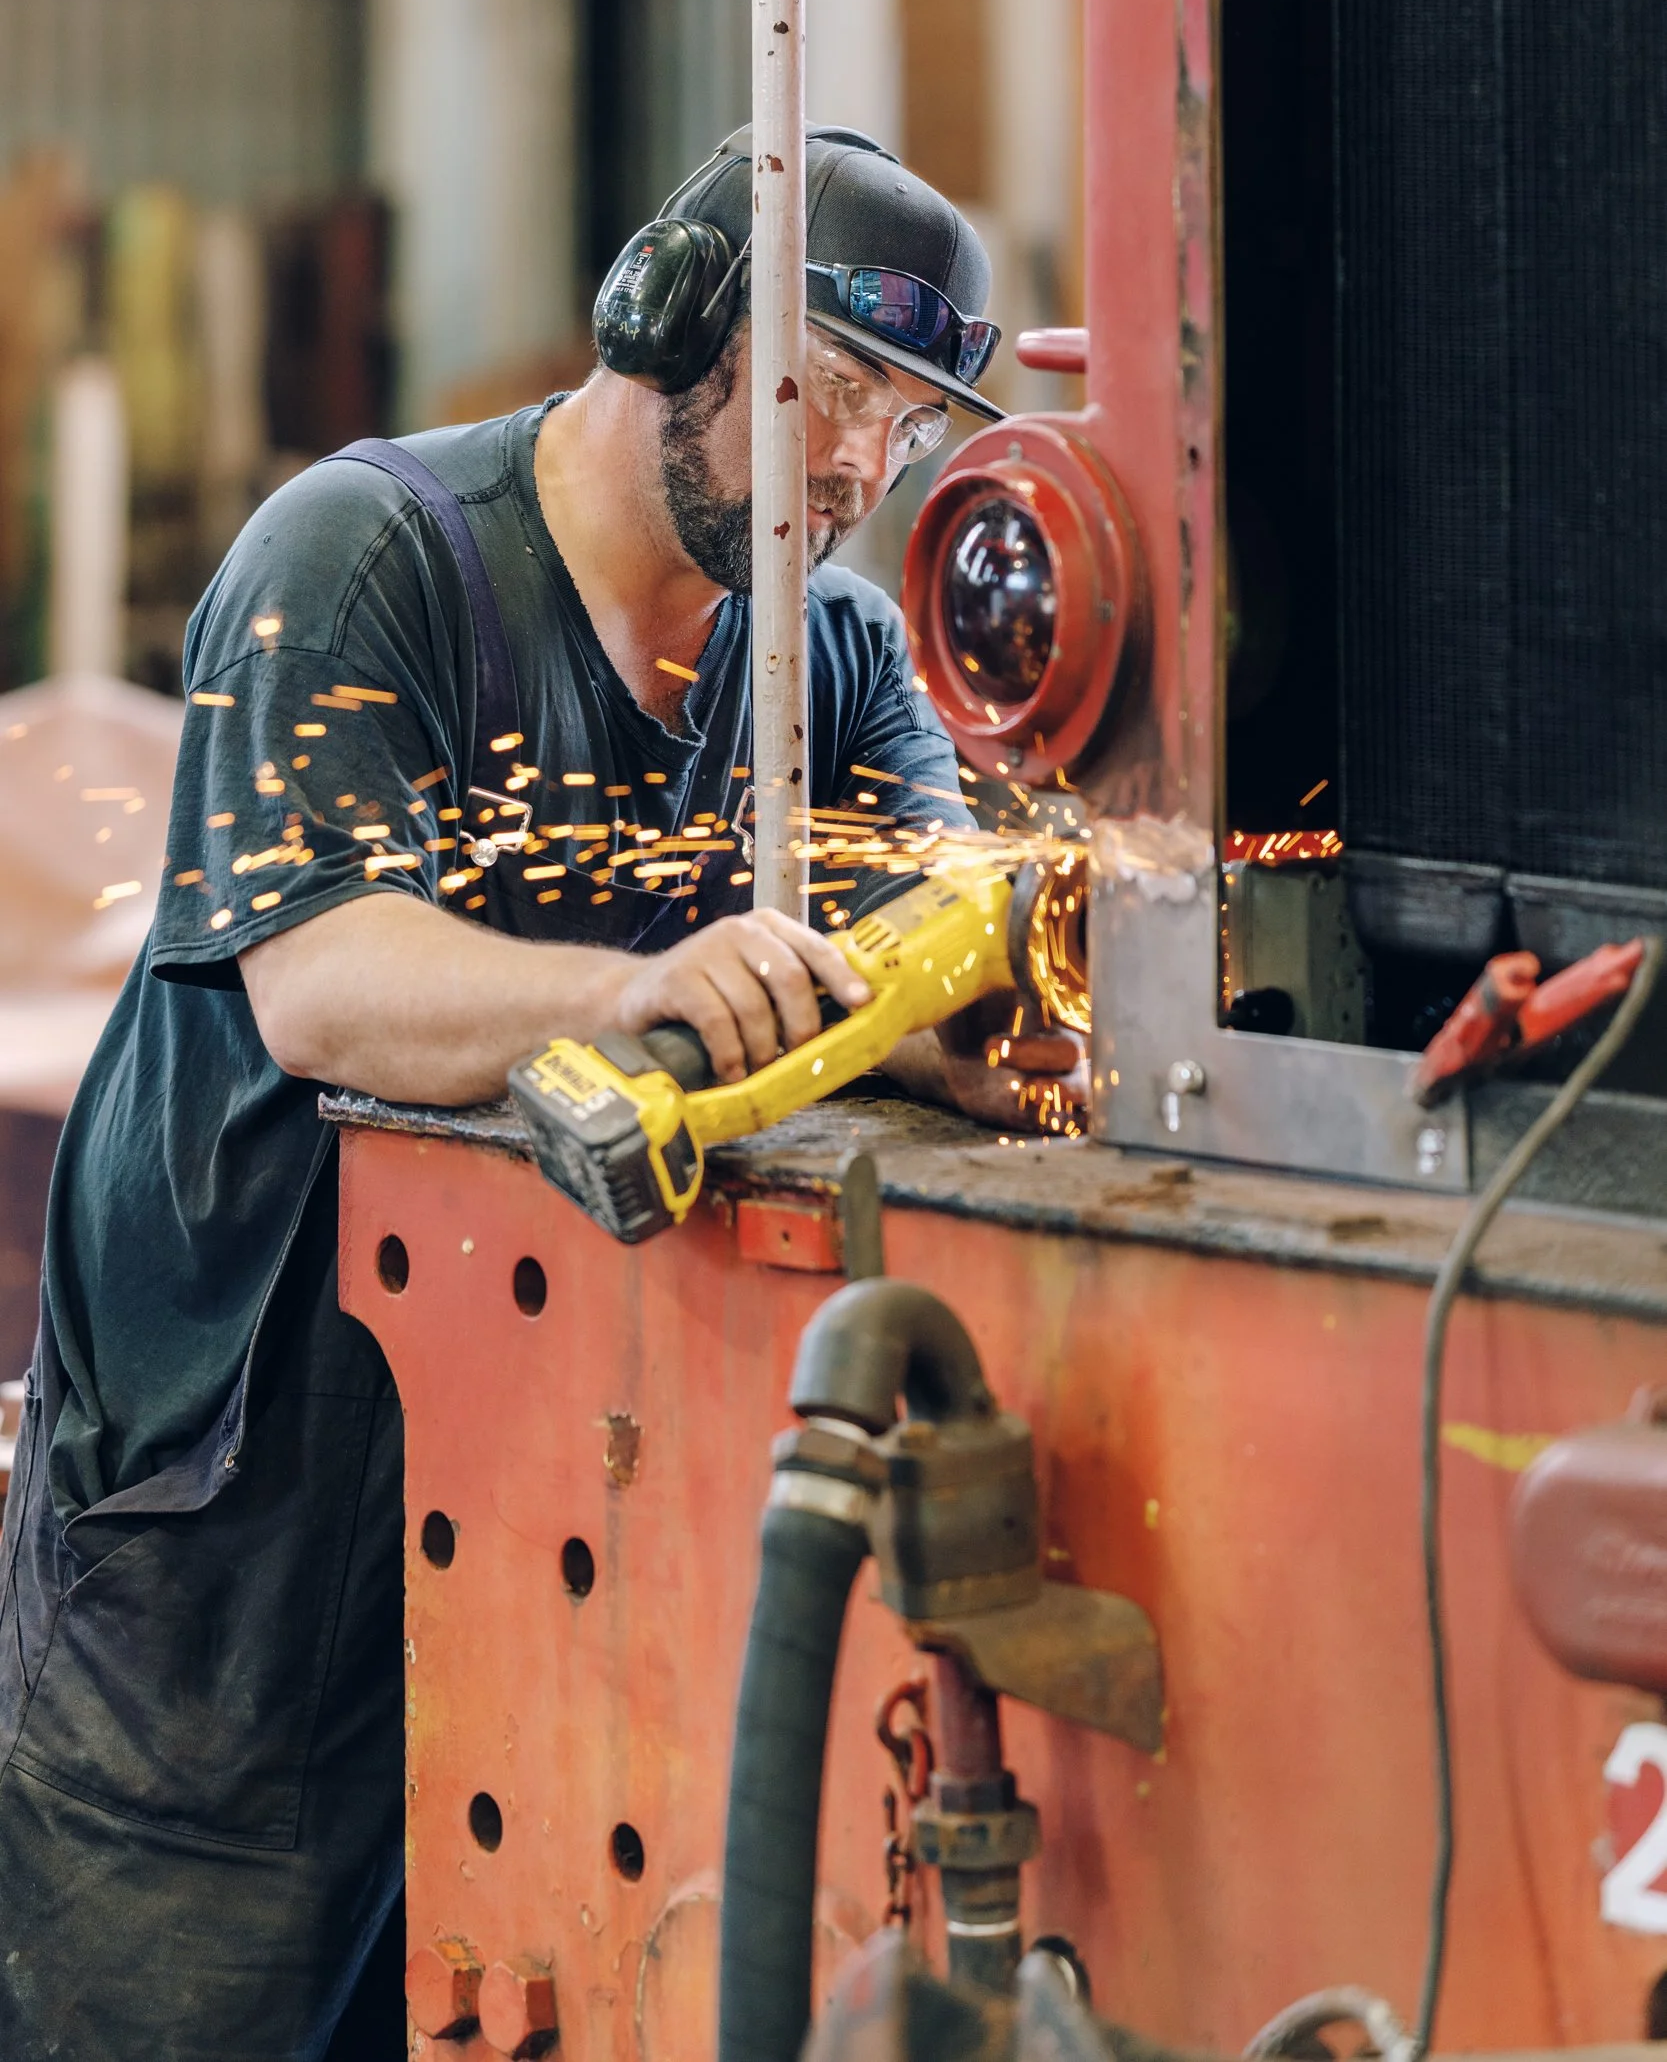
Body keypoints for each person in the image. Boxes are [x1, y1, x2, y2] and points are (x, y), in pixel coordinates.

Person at [0, 125, 1081, 2059]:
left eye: (903, 433)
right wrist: (641, 985)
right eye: (825, 398)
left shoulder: (823, 648)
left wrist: (978, 1014)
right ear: (669, 323)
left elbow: (937, 925)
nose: (853, 473)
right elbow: (328, 990)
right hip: (223, 1540)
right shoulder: (360, 562)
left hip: (544, 1542)